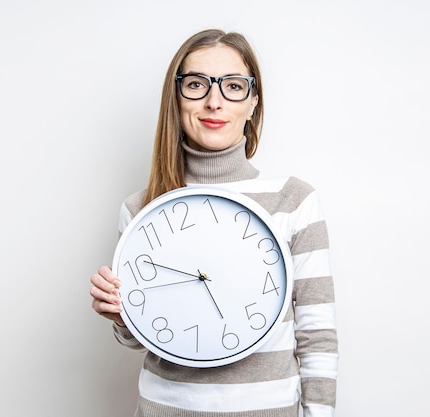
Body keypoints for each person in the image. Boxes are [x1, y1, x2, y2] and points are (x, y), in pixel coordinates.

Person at [90, 28, 338, 417]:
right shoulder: (142, 207)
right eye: (196, 84)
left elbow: (317, 335)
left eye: (233, 86)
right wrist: (123, 316)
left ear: (253, 101)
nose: (214, 101)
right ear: (176, 98)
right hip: (164, 408)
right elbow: (136, 338)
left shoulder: (294, 200)